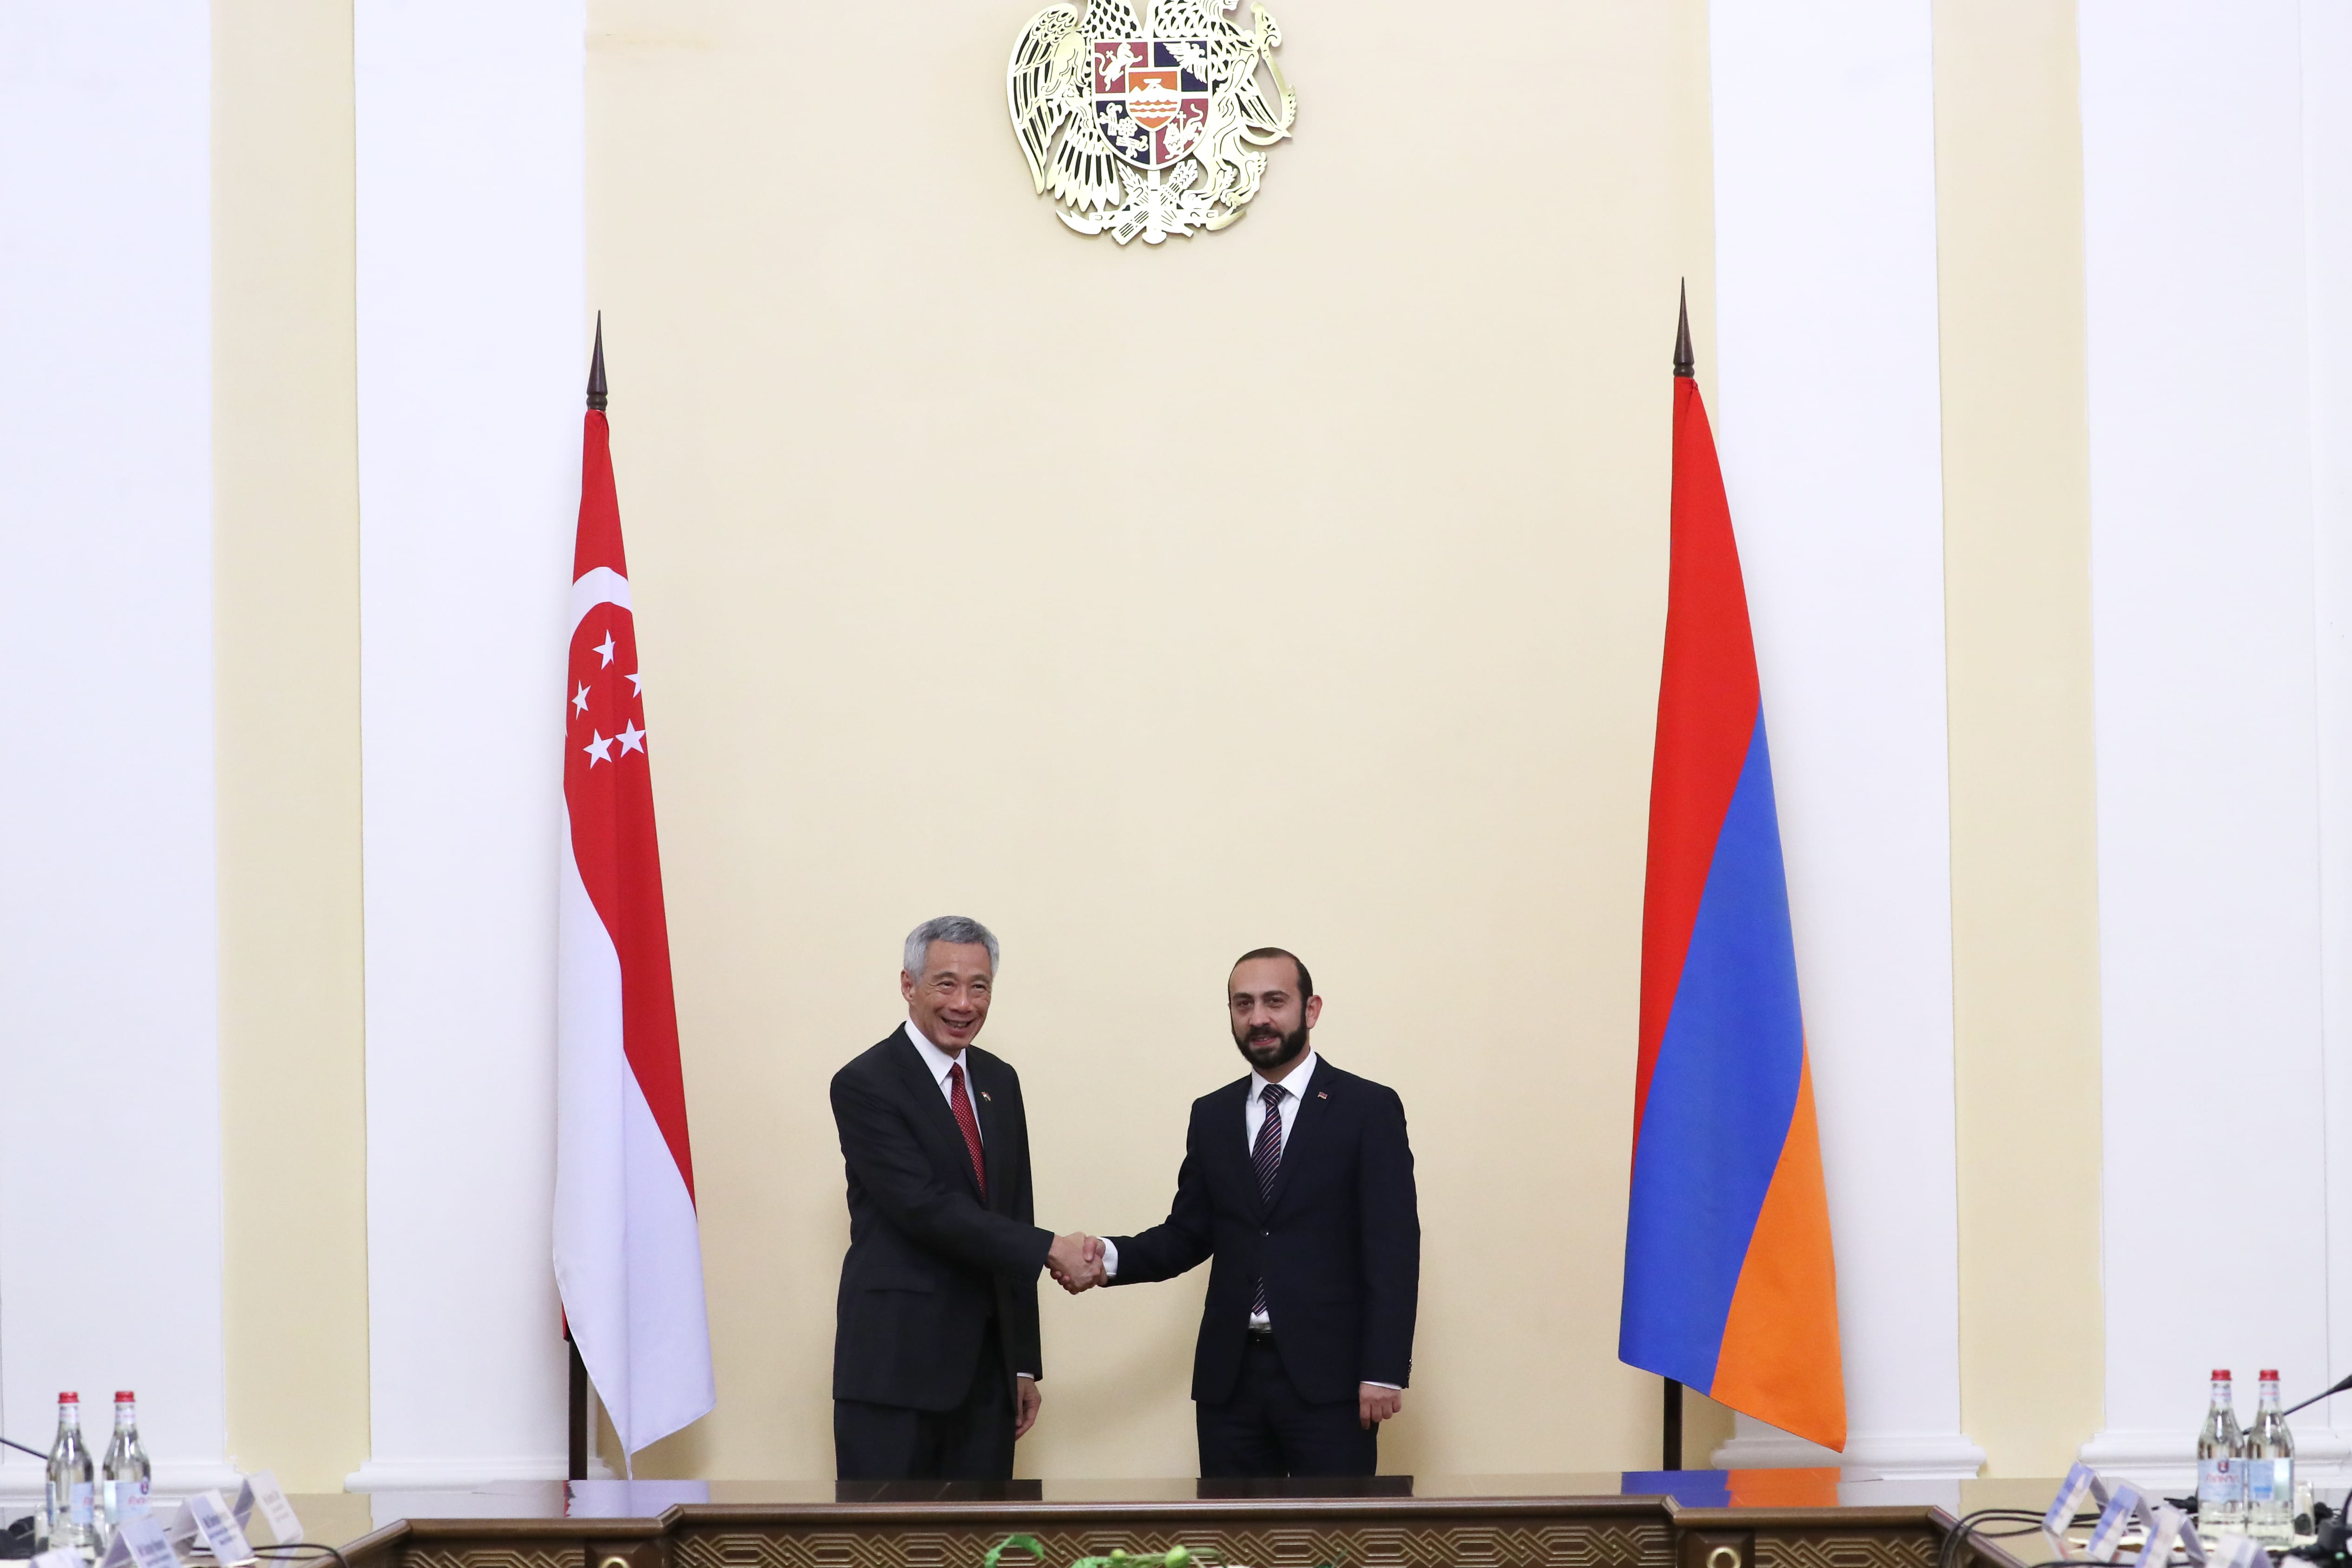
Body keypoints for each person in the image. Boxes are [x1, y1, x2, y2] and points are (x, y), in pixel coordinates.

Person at [1061, 947, 1420, 1477]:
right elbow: (1187, 1234)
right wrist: (1104, 1259)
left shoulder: (1367, 1109)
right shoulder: (1213, 1115)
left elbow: (1392, 1247)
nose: (1258, 1019)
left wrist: (1384, 1371)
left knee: (1335, 1547)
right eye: (1243, 1004)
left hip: (1332, 1382)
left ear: (1311, 1009)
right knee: (1233, 1548)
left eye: (1275, 1001)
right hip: (1230, 1383)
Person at [829, 915, 1100, 1480]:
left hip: (986, 1377)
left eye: (980, 987)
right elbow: (922, 1207)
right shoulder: (865, 1083)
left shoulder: (999, 1081)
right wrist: (1051, 1248)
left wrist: (1023, 1365)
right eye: (945, 984)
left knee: (983, 1547)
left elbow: (1012, 1212)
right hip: (894, 1372)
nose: (964, 1003)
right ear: (908, 985)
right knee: (885, 1548)